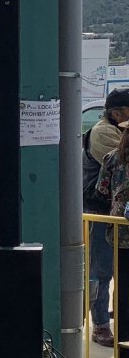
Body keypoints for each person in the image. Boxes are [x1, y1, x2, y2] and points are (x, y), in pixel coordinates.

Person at [82, 88, 129, 347]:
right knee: (102, 271)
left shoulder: (116, 131)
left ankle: (118, 319)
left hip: (116, 214)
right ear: (117, 113)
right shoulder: (103, 133)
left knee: (118, 271)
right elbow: (118, 166)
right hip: (101, 213)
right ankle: (100, 324)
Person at [97, 119, 129, 358]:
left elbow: (101, 190)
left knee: (123, 290)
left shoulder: (112, 158)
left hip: (119, 234)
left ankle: (123, 345)